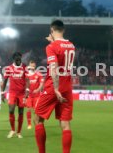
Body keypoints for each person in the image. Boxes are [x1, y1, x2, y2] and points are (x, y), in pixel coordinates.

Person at [34, 20, 75, 153]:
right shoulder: (71, 45)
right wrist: (53, 42)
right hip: (67, 88)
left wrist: (56, 88)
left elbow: (54, 67)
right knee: (65, 124)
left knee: (38, 119)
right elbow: (61, 52)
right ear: (64, 30)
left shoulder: (51, 47)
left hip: (53, 87)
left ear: (52, 30)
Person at [2, 52, 29, 139]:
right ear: (14, 59)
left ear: (21, 58)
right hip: (12, 93)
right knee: (11, 110)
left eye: (19, 59)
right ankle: (12, 130)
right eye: (17, 59)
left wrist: (27, 90)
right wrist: (2, 93)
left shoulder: (24, 67)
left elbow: (27, 79)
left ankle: (19, 132)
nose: (18, 60)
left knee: (21, 112)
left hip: (21, 94)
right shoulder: (9, 68)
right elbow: (5, 80)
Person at [26, 60, 44, 129]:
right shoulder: (27, 74)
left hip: (37, 96)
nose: (32, 67)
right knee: (28, 109)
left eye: (33, 66)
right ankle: (29, 124)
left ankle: (37, 122)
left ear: (35, 66)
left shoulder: (39, 74)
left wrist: (38, 90)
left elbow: (41, 84)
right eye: (31, 66)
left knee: (36, 111)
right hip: (29, 96)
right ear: (29, 66)